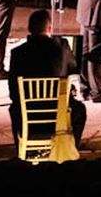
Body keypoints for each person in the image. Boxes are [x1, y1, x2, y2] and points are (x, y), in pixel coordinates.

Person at [8, 9, 87, 144]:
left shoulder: (17, 53)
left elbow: (13, 91)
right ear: (50, 28)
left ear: (29, 29)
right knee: (80, 109)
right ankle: (71, 146)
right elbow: (73, 68)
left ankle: (22, 148)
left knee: (14, 108)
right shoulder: (62, 47)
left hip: (28, 113)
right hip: (58, 111)